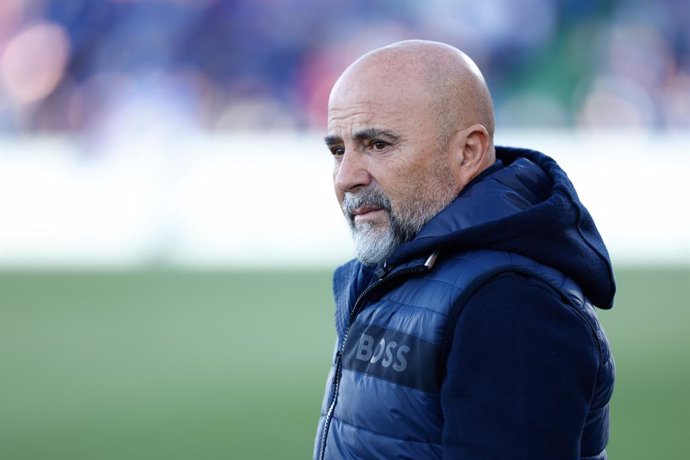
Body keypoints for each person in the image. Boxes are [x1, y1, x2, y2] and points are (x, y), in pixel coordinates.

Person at [313, 40, 616, 460]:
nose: (346, 176)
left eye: (378, 145)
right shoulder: (398, 268)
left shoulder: (510, 303)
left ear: (468, 152)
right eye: (338, 150)